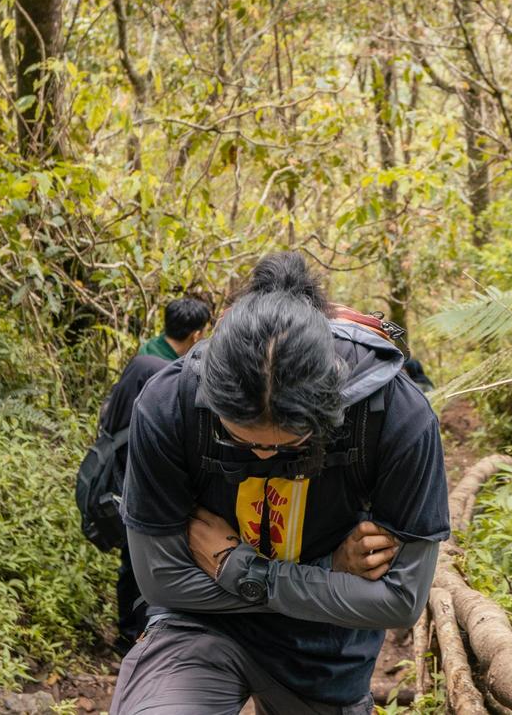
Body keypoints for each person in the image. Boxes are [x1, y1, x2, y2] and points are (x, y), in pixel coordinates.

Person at [112, 252, 450, 715]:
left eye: (289, 444)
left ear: (335, 400)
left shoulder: (397, 417)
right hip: (198, 630)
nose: (264, 456)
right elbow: (163, 582)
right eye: (240, 440)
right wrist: (332, 573)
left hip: (326, 651)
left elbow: (399, 601)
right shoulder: (169, 403)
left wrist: (241, 570)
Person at [94, 295, 214, 653]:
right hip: (144, 475)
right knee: (142, 557)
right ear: (196, 334)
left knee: (134, 559)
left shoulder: (146, 353)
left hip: (124, 466)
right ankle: (137, 633)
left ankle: (131, 630)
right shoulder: (167, 371)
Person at [139, 295, 213, 361]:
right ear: (196, 335)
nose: (205, 337)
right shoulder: (171, 370)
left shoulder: (150, 347)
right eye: (205, 333)